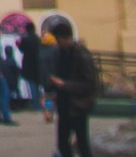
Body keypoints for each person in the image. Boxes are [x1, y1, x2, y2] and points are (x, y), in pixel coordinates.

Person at [41, 14, 101, 157]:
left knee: (82, 144)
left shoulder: (81, 54)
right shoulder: (60, 53)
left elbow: (89, 84)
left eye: (58, 40)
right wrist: (54, 91)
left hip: (79, 106)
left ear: (66, 38)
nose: (57, 43)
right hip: (64, 104)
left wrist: (64, 85)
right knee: (62, 143)